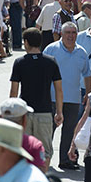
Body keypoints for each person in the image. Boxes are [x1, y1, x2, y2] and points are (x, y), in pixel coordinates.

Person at [10, 28, 64, 169]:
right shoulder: (51, 62)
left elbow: (14, 91)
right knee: (44, 152)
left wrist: (11, 113)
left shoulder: (19, 62)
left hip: (24, 113)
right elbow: (59, 89)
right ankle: (42, 181)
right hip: (45, 112)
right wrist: (59, 111)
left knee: (23, 150)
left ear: (26, 43)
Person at [44, 22, 91, 170]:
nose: (71, 36)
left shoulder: (82, 52)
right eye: (68, 33)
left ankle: (65, 160)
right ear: (62, 34)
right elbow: (42, 72)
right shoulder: (51, 49)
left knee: (70, 130)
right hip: (52, 98)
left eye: (73, 33)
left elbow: (88, 74)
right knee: (48, 130)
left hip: (73, 98)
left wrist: (88, 94)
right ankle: (44, 158)